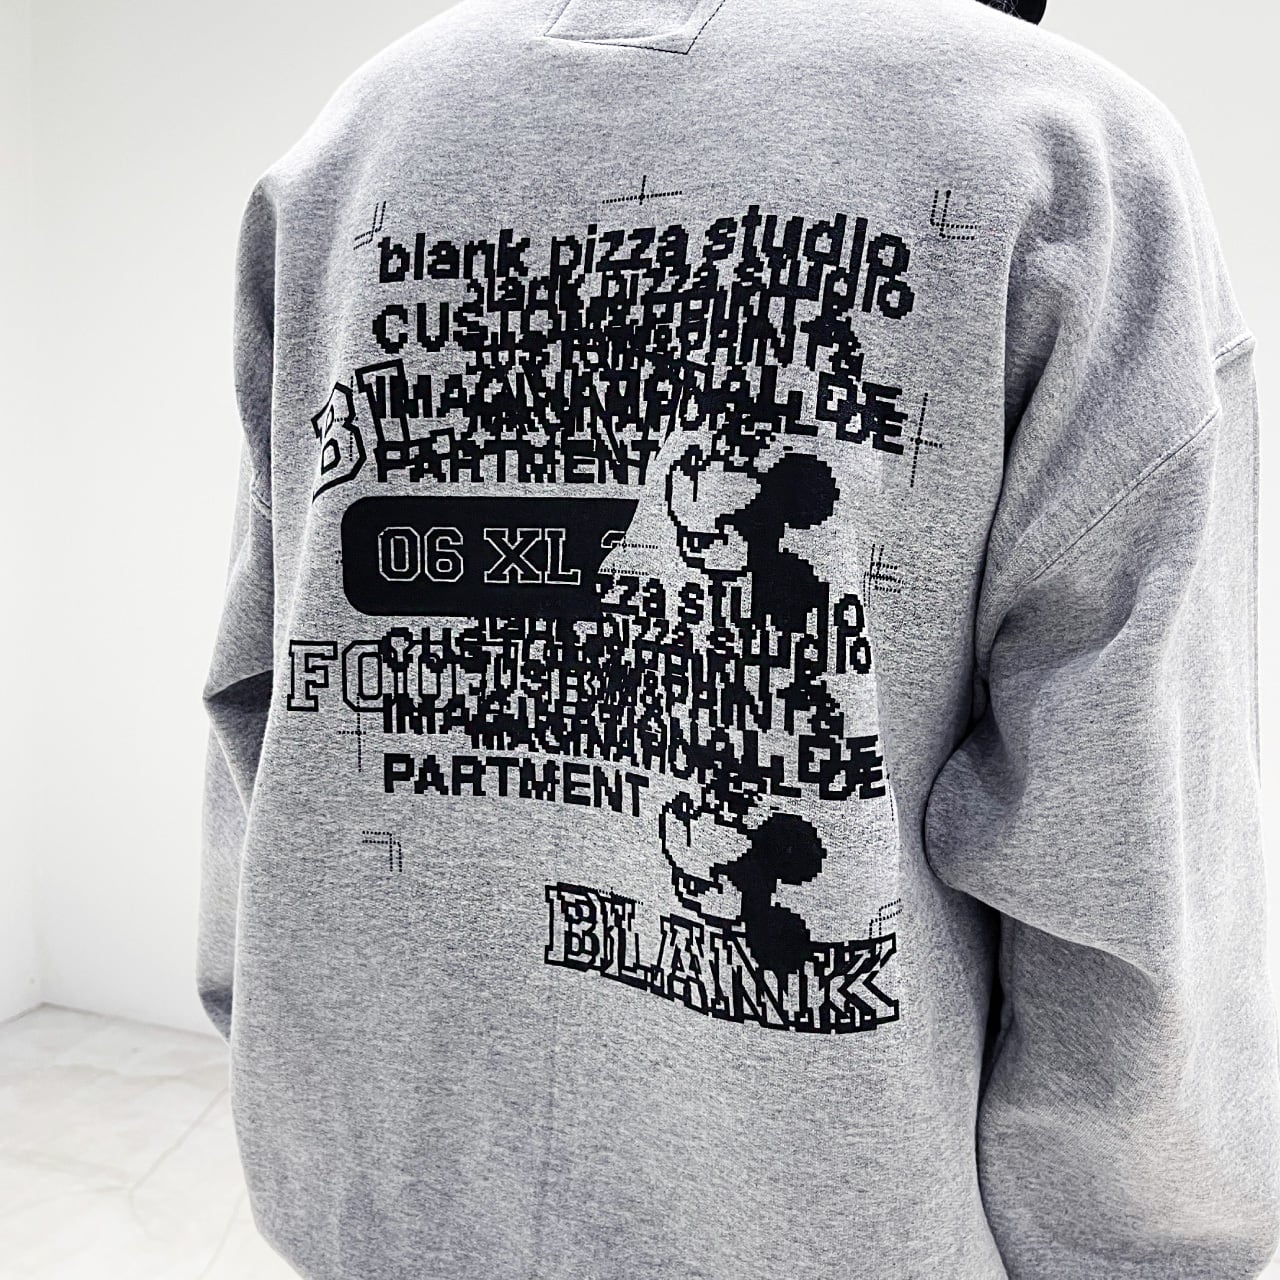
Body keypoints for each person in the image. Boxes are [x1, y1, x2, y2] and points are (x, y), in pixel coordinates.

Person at [199, 0, 1280, 1274]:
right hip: (820, 1229)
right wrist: (1139, 1246)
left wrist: (286, 1052)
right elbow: (1124, 846)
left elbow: (264, 690)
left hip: (379, 1191)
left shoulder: (368, 129)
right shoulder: (1062, 149)